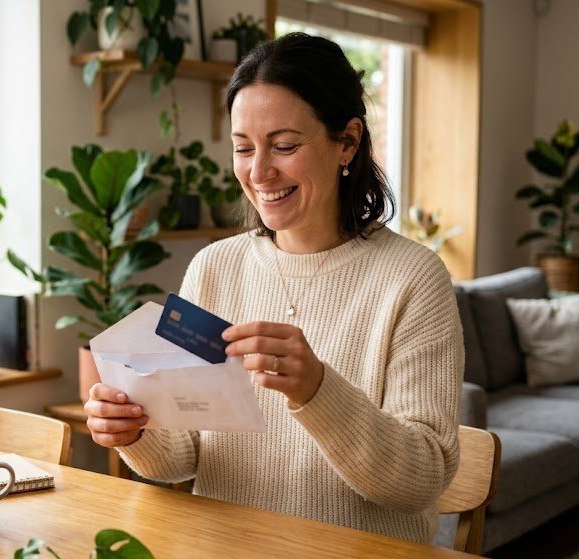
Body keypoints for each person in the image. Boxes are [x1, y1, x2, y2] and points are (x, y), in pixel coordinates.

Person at [84, 32, 464, 544]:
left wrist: (318, 391)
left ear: (347, 142)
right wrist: (136, 431)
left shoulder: (413, 279)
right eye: (243, 148)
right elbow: (185, 455)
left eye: (285, 146)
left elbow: (422, 481)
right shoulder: (214, 267)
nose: (259, 172)